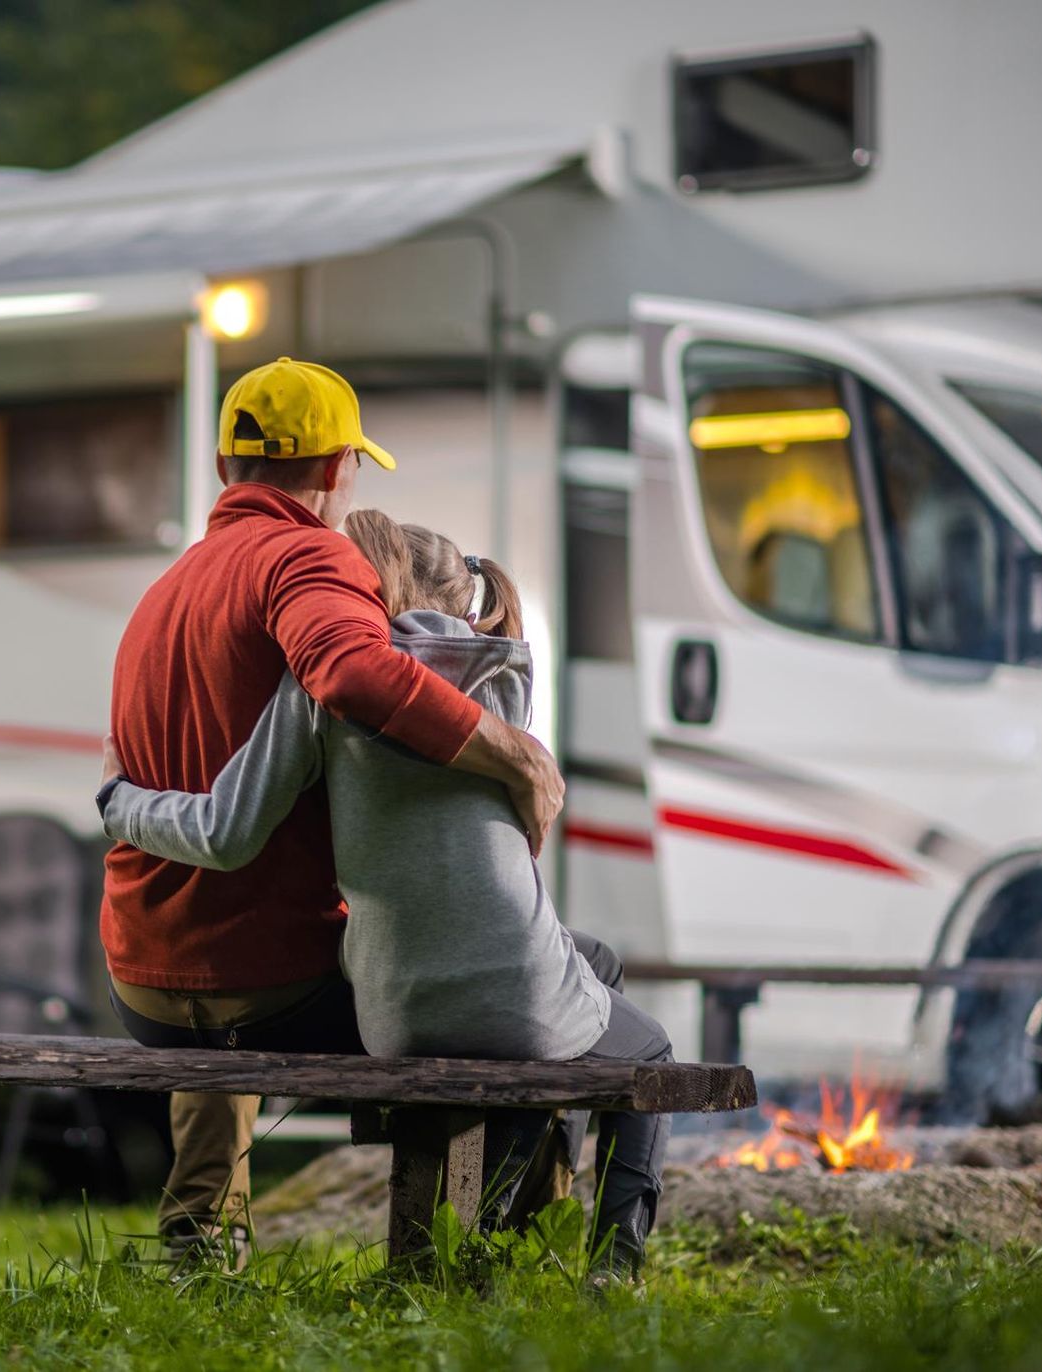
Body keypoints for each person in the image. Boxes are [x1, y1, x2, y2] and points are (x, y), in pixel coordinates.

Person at [102, 509, 670, 1278]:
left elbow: (226, 829)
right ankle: (601, 1259)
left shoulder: (311, 686)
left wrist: (119, 799)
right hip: (499, 985)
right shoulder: (504, 676)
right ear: (469, 601)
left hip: (391, 1005)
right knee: (644, 1047)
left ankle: (507, 1218)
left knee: (573, 977)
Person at [99, 358, 564, 1259]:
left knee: (231, 937)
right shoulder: (308, 554)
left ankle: (201, 1243)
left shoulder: (165, 593)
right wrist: (516, 757)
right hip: (268, 988)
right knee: (467, 1000)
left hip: (141, 983)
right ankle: (481, 1249)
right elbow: (352, 671)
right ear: (337, 468)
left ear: (227, 467)